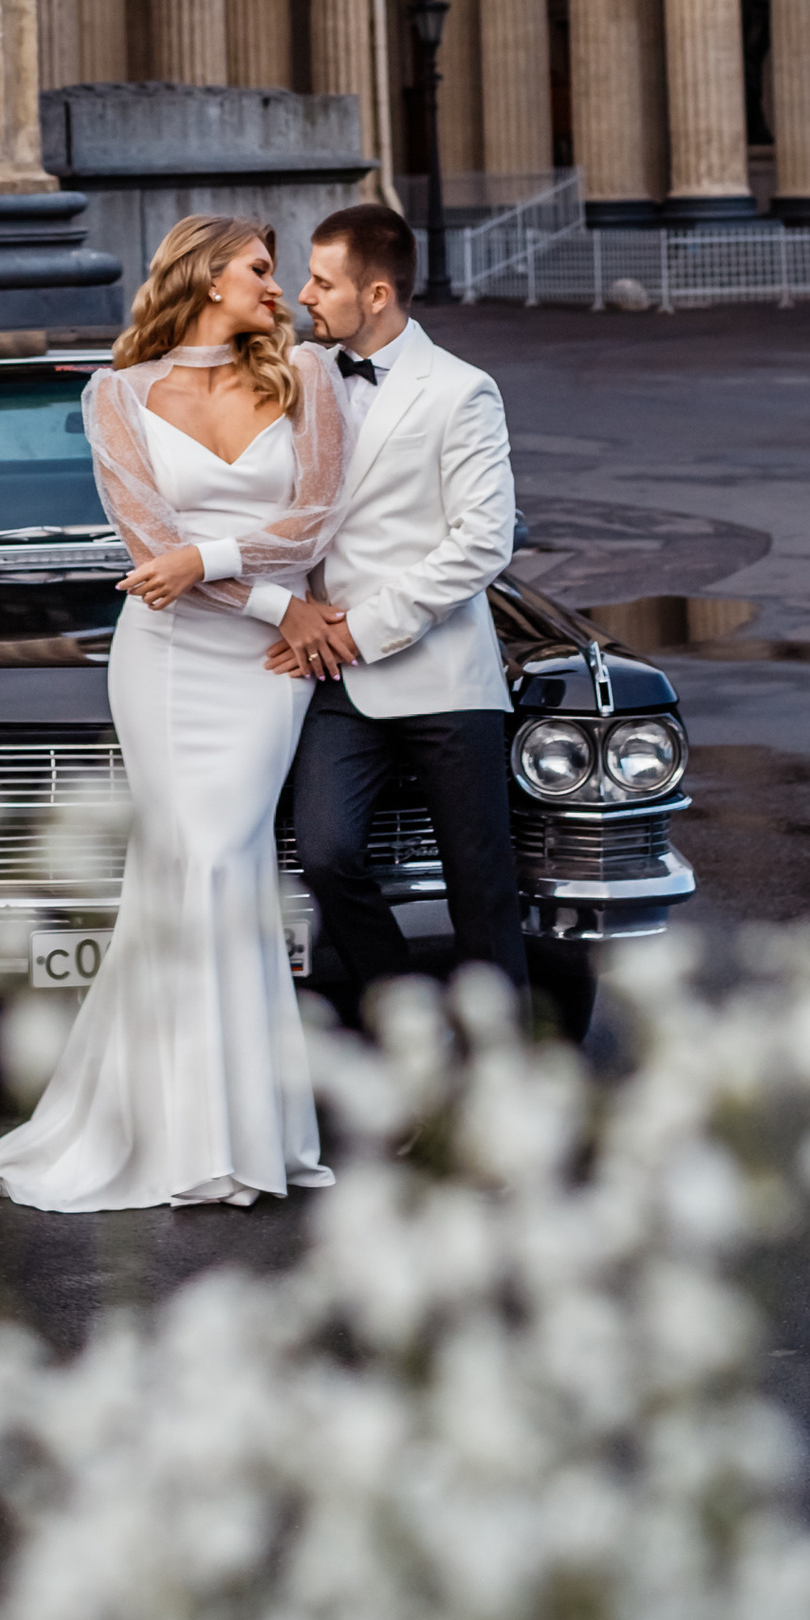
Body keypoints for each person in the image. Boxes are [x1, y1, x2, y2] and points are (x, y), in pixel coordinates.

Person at [0, 214, 352, 1212]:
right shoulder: (116, 395)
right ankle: (188, 1140)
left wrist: (220, 561)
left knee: (229, 861)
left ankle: (244, 1134)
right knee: (190, 862)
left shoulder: (305, 377)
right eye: (260, 269)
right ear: (204, 276)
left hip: (265, 667)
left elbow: (313, 519)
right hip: (178, 659)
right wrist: (276, 597)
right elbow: (153, 554)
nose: (280, 287)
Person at [276, 200, 525, 1025]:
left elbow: (482, 544)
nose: (304, 293)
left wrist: (360, 626)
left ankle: (505, 1082)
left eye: (322, 279)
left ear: (376, 293)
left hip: (443, 673)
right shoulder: (301, 378)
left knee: (481, 888)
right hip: (339, 682)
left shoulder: (462, 390)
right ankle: (408, 1020)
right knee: (326, 849)